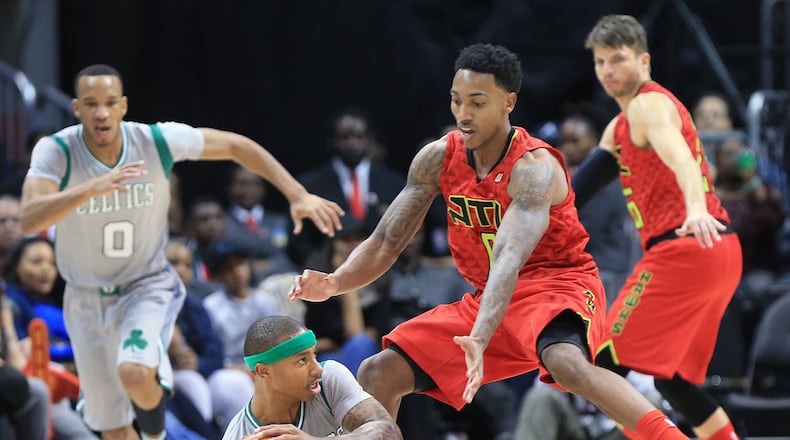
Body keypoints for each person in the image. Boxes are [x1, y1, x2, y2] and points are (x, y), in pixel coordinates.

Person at [290, 43, 688, 439]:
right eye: (456, 101)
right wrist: (336, 281)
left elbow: (509, 256)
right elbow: (385, 242)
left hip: (557, 284)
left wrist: (480, 336)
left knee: (565, 362)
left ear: (508, 102)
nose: (463, 114)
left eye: (477, 103)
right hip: (489, 296)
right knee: (378, 371)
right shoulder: (436, 159)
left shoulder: (534, 168)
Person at [18, 64, 344, 440]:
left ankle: (155, 432)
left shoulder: (156, 141)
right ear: (77, 109)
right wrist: (90, 188)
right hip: (85, 296)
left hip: (144, 286)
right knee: (112, 427)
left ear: (123, 105)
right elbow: (28, 217)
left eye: (110, 102)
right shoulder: (57, 150)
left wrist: (296, 193)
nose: (101, 112)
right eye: (91, 104)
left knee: (135, 372)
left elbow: (237, 146)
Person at [573, 15, 743, 440]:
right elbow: (573, 195)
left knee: (604, 367)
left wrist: (694, 208)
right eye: (600, 62)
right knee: (671, 379)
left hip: (689, 244)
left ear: (644, 61)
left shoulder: (649, 105)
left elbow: (682, 157)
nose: (609, 71)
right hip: (718, 252)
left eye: (619, 60)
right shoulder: (620, 127)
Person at [223, 315, 401, 439]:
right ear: (264, 371)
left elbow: (390, 432)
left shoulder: (328, 379)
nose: (317, 369)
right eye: (302, 360)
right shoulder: (239, 434)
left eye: (314, 355)